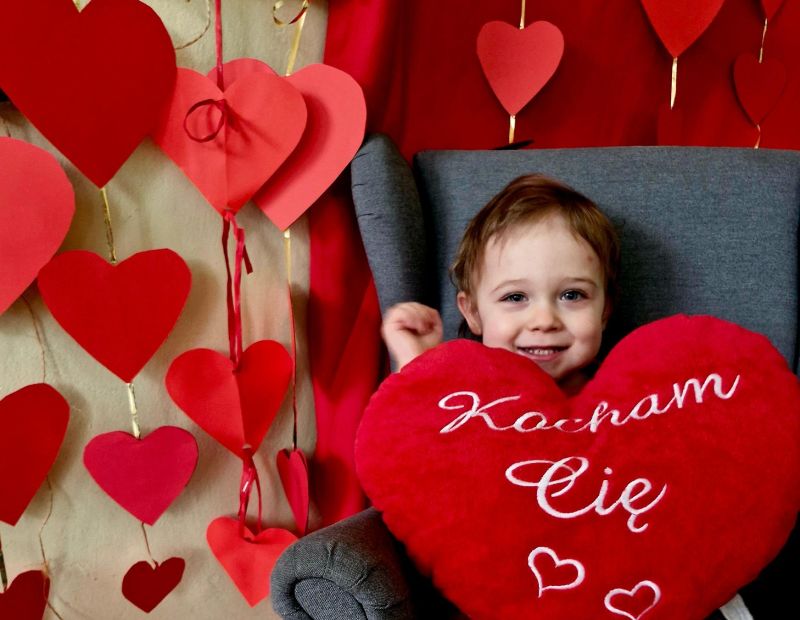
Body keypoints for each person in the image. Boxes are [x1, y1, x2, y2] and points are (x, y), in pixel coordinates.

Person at [381, 174, 620, 395]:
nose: (545, 321)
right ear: (473, 312)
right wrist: (415, 363)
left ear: (604, 310)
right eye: (515, 297)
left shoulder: (624, 391)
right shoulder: (460, 394)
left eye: (572, 295)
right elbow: (407, 422)